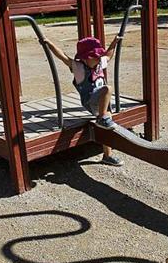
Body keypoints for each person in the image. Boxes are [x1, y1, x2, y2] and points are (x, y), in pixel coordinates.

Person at [43, 35, 124, 166]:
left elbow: (108, 55)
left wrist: (114, 42)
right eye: (95, 56)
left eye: (99, 56)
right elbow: (62, 56)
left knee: (107, 127)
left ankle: (107, 156)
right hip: (90, 100)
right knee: (107, 89)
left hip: (102, 101)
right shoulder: (78, 67)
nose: (99, 59)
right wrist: (48, 43)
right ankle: (102, 117)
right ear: (85, 58)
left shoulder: (99, 62)